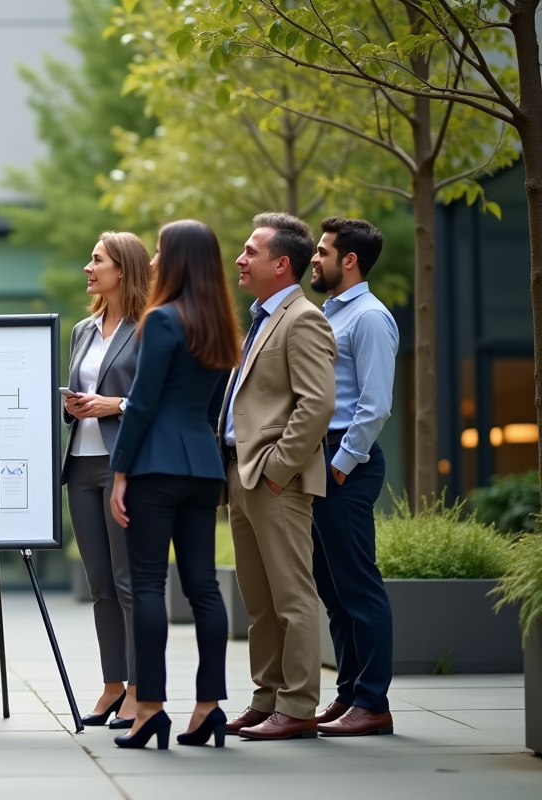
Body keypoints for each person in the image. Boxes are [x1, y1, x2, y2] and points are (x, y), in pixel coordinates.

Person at [107, 220, 240, 750]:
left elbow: (140, 404)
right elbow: (213, 408)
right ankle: (209, 706)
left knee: (146, 585)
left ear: (180, 260)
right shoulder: (221, 325)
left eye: (161, 252)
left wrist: (120, 471)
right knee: (203, 587)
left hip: (155, 468)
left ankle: (151, 709)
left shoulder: (161, 320)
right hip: (202, 469)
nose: (155, 261)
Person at [221, 212, 336, 740]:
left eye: (250, 251)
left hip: (274, 482)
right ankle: (266, 698)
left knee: (292, 597)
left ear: (281, 263)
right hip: (241, 478)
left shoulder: (303, 318)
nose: (240, 260)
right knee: (259, 601)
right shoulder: (262, 317)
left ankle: (297, 707)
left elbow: (316, 406)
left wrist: (276, 470)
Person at [308, 217, 399, 736]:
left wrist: (341, 465)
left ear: (349, 261)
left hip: (347, 463)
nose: (313, 260)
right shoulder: (332, 313)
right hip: (324, 460)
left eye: (322, 252)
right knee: (333, 587)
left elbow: (375, 404)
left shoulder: (369, 318)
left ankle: (373, 702)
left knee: (360, 587)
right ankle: (348, 696)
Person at [61, 231, 152, 729]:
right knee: (99, 583)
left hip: (124, 466)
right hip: (81, 462)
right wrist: (73, 405)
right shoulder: (82, 330)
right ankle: (112, 684)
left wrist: (115, 404)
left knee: (128, 582)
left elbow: (157, 400)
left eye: (96, 260)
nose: (88, 267)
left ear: (123, 269)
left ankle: (139, 689)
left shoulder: (148, 329)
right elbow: (83, 392)